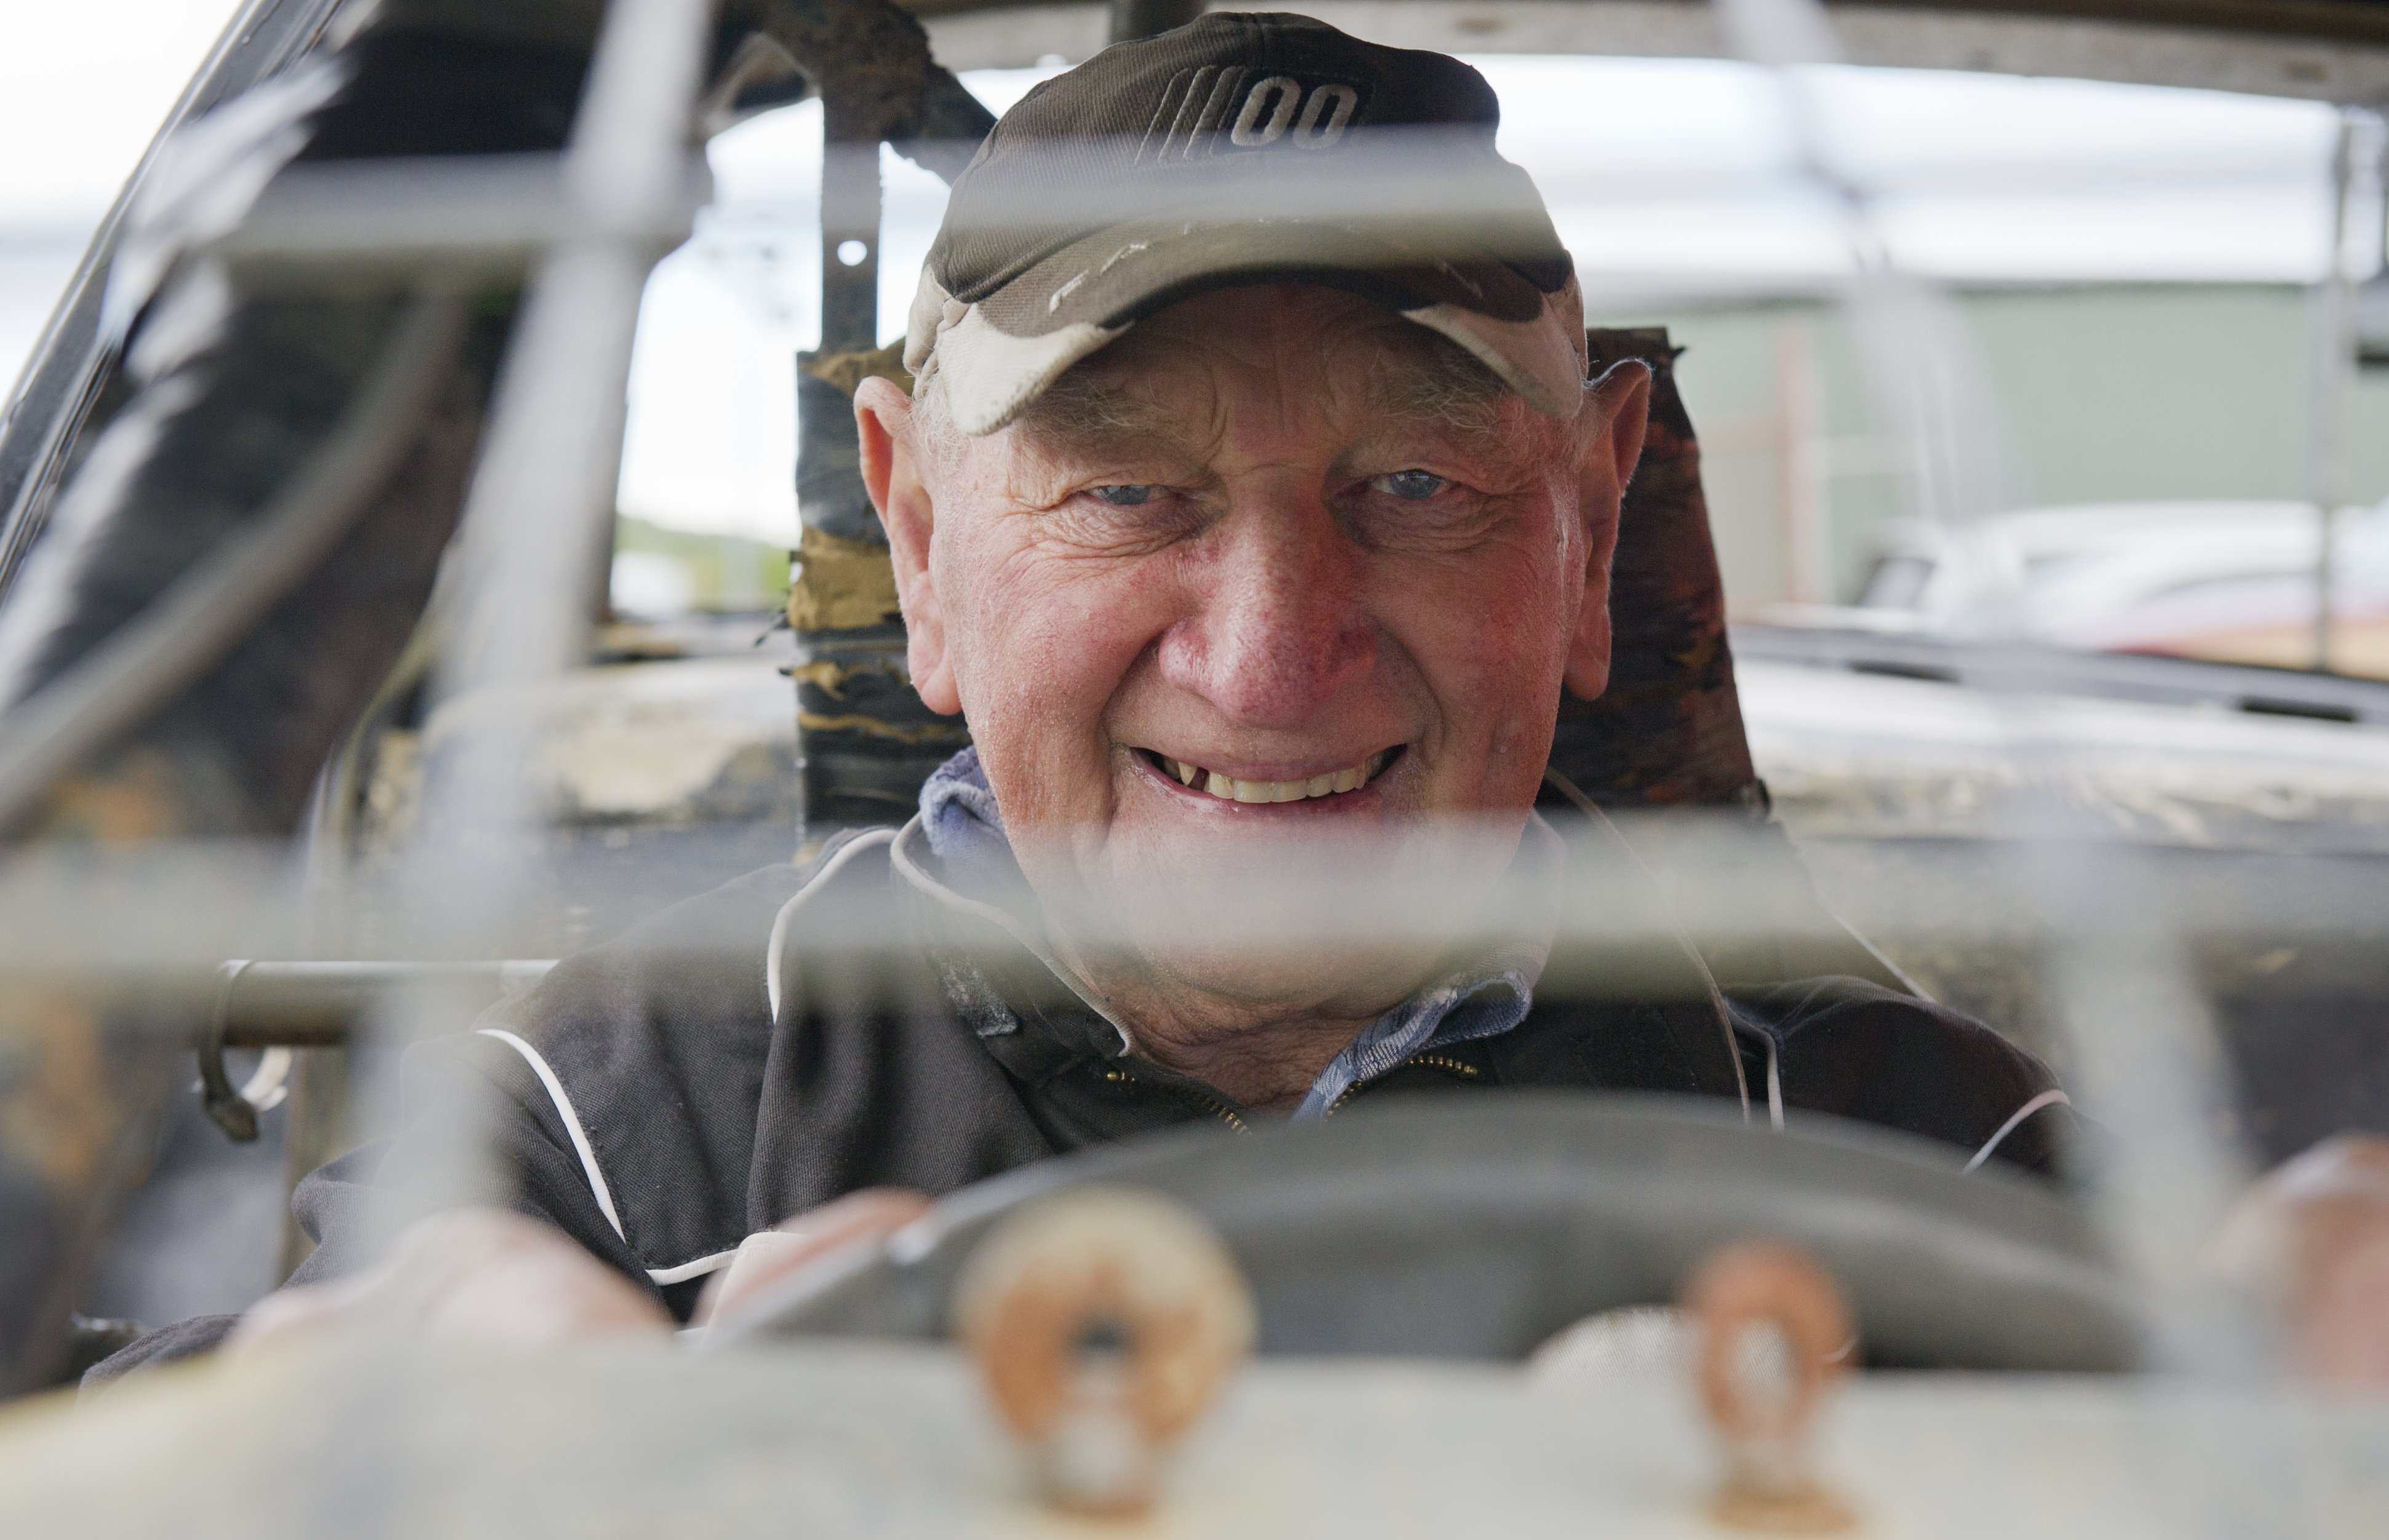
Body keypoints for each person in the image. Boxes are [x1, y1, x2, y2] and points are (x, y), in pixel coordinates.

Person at [92, 14, 2075, 1380]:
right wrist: (375, 1387)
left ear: (1589, 513)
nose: (1269, 660)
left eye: (1416, 488)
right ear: (920, 535)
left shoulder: (1919, 1162)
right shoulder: (619, 1130)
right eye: (1129, 492)